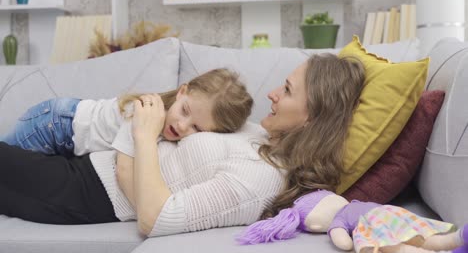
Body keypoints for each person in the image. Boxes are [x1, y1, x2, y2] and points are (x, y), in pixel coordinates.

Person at [0, 53, 365, 238]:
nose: (271, 92)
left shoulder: (262, 180)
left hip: (88, 192)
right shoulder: (258, 136)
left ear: (312, 117)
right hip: (92, 164)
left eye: (286, 90)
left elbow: (157, 219)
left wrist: (142, 134)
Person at [1, 68, 252, 157]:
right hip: (53, 124)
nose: (183, 126)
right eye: (185, 111)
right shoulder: (144, 114)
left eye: (197, 128)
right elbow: (125, 168)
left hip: (68, 132)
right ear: (182, 91)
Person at [237, 189, 468, 253]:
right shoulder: (352, 205)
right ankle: (456, 240)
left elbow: (345, 243)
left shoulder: (340, 220)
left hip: (373, 224)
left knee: (396, 247)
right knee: (420, 235)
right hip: (391, 213)